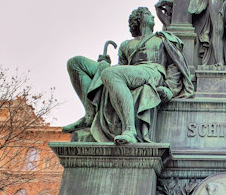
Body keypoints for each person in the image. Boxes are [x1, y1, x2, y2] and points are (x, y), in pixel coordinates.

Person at [62, 7, 194, 144]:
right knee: (76, 63)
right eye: (149, 14)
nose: (153, 17)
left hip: (152, 72)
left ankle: (130, 130)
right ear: (140, 19)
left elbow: (174, 64)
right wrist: (103, 64)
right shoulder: (126, 45)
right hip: (130, 73)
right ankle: (89, 114)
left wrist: (170, 88)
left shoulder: (162, 39)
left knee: (110, 73)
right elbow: (121, 68)